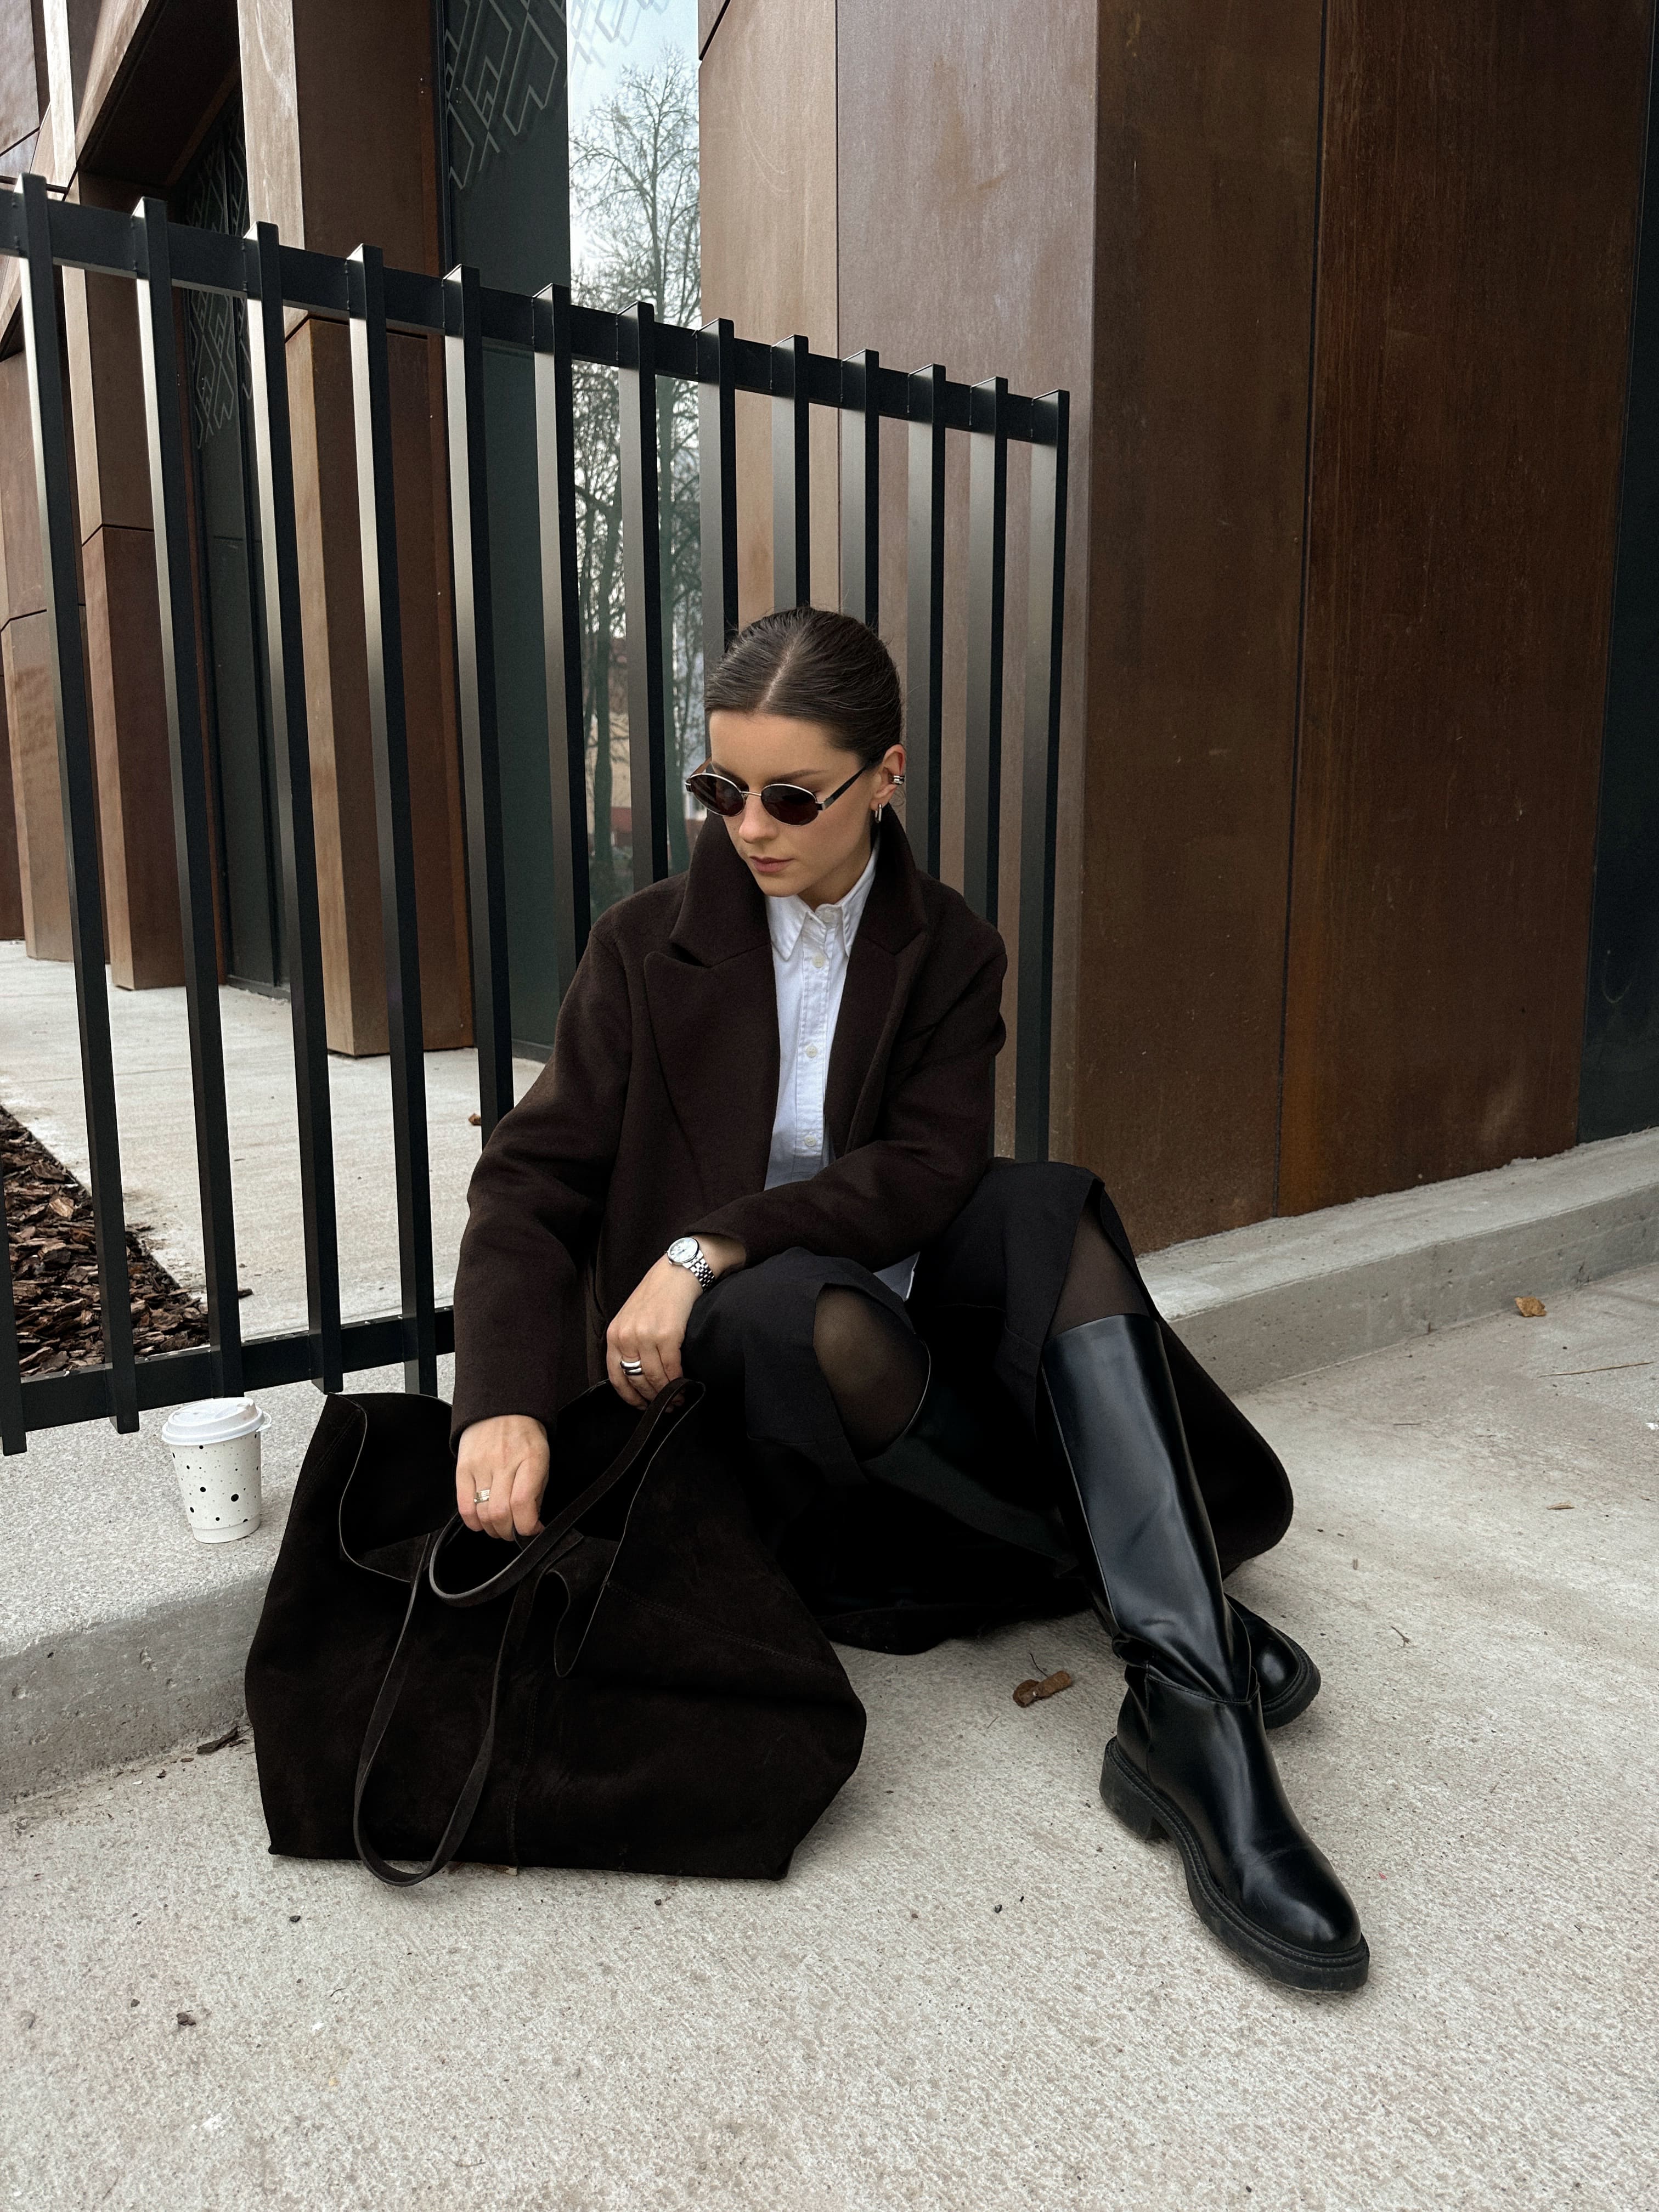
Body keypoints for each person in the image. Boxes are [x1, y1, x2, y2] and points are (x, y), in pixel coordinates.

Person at [450, 606, 1368, 1993]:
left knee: (1044, 1202)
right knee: (789, 1309)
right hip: (755, 1404)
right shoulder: (643, 948)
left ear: (885, 777)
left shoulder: (949, 948)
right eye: (720, 789)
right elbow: (530, 1184)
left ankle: (1197, 1721)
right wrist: (504, 1400)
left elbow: (930, 1174)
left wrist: (712, 1241)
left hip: (909, 1348)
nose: (747, 829)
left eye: (791, 797)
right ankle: (1148, 1600)